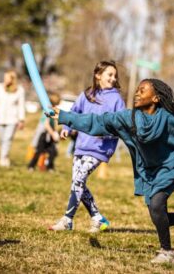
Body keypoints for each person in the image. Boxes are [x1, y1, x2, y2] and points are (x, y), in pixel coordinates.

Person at [50, 78, 174, 263]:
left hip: (170, 167)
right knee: (157, 214)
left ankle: (167, 253)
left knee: (156, 206)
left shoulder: (168, 121)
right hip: (148, 170)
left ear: (156, 98)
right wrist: (66, 117)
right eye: (137, 90)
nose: (137, 93)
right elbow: (98, 121)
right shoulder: (127, 118)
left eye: (142, 91)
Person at [49, 60, 125, 233]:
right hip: (81, 146)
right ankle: (97, 218)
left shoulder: (117, 100)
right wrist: (67, 128)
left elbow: (121, 126)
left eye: (115, 75)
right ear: (98, 75)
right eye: (109, 74)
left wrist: (105, 133)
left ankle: (67, 220)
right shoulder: (87, 94)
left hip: (100, 149)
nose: (113, 78)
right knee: (78, 182)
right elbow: (74, 113)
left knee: (79, 180)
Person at [0, 70, 25, 167]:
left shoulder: (19, 90)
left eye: (7, 78)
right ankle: (5, 157)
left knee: (8, 139)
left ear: (12, 79)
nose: (5, 80)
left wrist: (21, 119)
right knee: (2, 140)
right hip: (0, 118)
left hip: (12, 119)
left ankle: (2, 158)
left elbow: (21, 105)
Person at [28, 93, 61, 172]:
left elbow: (54, 123)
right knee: (39, 151)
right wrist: (53, 134)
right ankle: (31, 166)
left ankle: (50, 167)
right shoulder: (47, 110)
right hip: (44, 135)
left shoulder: (53, 110)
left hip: (50, 134)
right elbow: (46, 124)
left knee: (53, 151)